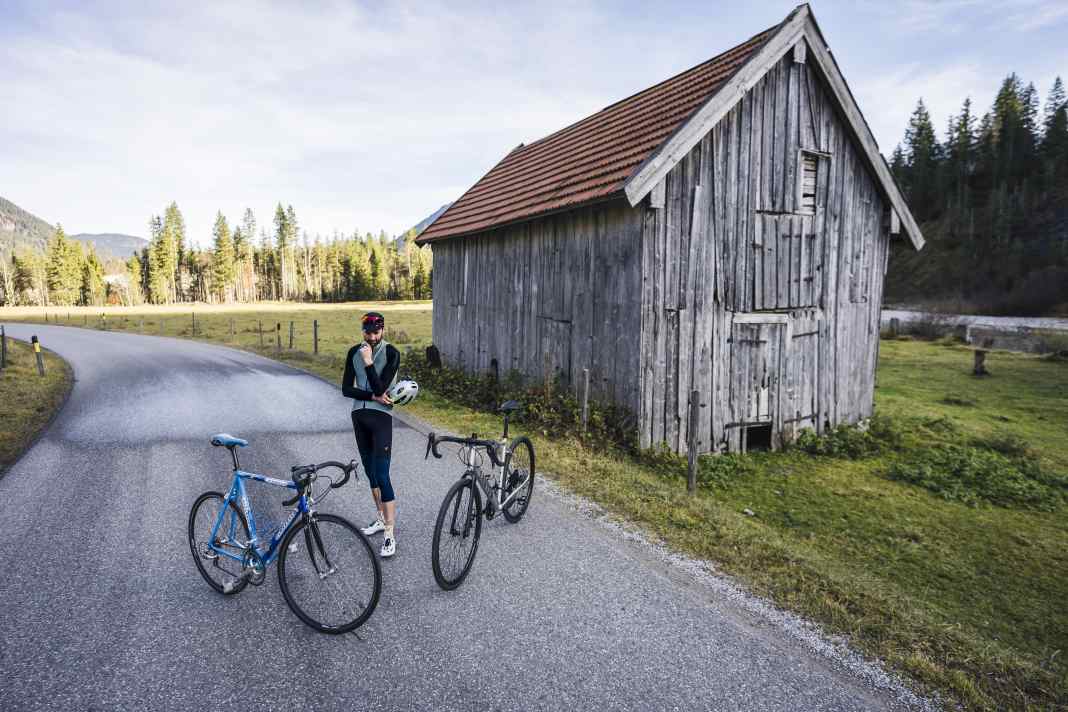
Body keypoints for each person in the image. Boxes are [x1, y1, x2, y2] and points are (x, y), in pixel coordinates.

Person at [341, 311, 401, 558]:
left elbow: (380, 387)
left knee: (383, 475)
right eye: (368, 332)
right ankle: (380, 519)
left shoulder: (391, 353)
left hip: (381, 419)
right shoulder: (352, 351)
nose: (372, 337)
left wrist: (368, 362)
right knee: (370, 474)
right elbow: (346, 389)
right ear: (362, 331)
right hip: (359, 417)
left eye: (376, 332)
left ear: (383, 330)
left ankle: (390, 534)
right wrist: (369, 396)